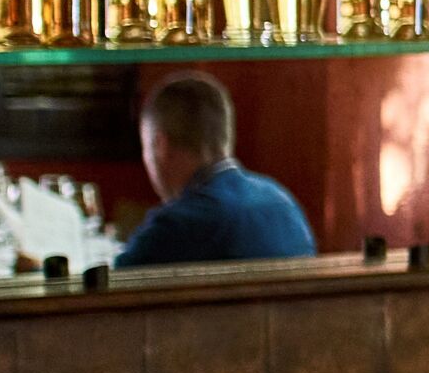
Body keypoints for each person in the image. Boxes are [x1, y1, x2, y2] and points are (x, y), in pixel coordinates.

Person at [113, 72, 315, 268]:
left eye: (146, 147)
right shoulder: (282, 202)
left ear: (160, 145)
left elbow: (112, 292)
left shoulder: (177, 226)